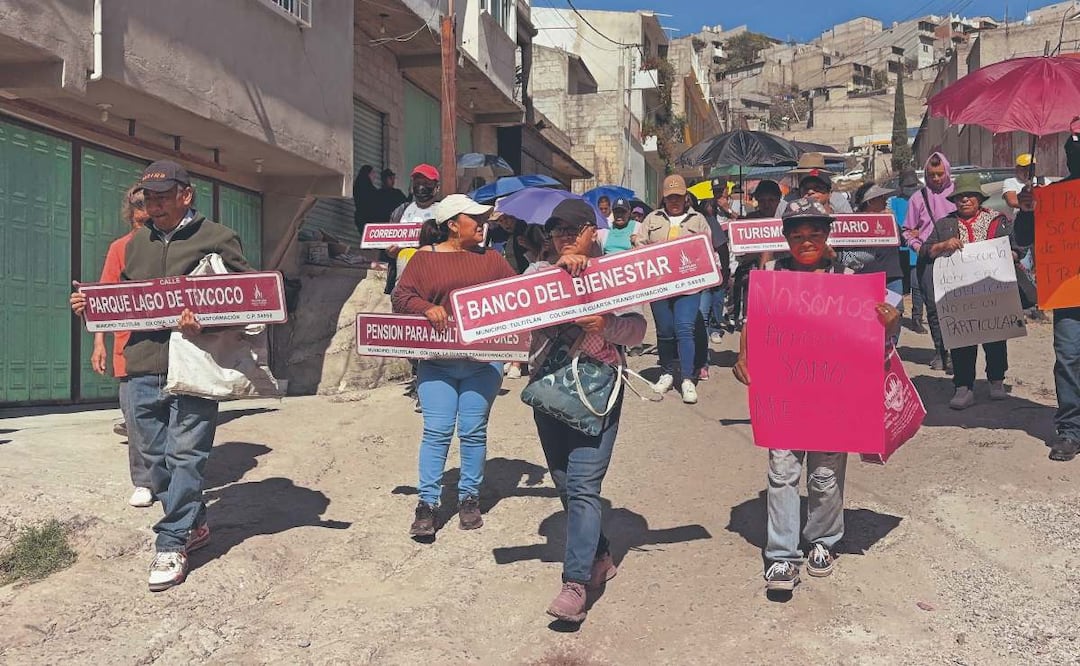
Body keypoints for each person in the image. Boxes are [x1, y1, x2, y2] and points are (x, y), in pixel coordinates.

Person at [70, 161, 252, 591]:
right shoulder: (135, 244)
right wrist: (90, 309)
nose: (155, 205)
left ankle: (171, 542)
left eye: (163, 197)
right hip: (140, 365)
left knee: (186, 455)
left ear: (186, 195)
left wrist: (205, 321)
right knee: (154, 460)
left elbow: (247, 299)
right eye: (149, 198)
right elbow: (119, 300)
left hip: (194, 364)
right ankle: (194, 521)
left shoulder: (218, 237)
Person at [732, 197, 901, 593]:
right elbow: (754, 320)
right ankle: (782, 555)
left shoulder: (850, 278)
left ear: (827, 236)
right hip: (784, 396)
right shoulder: (771, 275)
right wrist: (743, 354)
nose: (806, 242)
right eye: (797, 236)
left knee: (825, 477)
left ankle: (823, 540)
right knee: (782, 473)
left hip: (832, 397)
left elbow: (874, 333)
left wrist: (889, 322)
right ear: (786, 238)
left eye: (814, 234)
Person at [524, 198, 647, 623]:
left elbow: (637, 329)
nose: (563, 236)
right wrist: (557, 279)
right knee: (564, 482)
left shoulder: (617, 272)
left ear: (592, 232)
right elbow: (516, 319)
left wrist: (606, 325)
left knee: (582, 485)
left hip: (599, 388)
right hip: (548, 387)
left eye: (572, 229)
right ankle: (599, 556)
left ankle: (574, 583)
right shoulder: (535, 275)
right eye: (556, 230)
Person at [391, 194, 516, 537]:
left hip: (483, 363)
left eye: (484, 219)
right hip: (437, 363)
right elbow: (401, 297)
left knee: (473, 431)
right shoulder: (424, 258)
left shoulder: (493, 260)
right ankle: (427, 504)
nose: (482, 224)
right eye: (475, 218)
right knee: (437, 431)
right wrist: (425, 307)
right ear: (452, 225)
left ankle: (468, 499)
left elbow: (518, 293)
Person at [921, 173, 1015, 411]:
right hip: (959, 295)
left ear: (979, 199)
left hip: (992, 290)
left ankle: (996, 380)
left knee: (995, 336)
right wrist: (942, 245)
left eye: (970, 196)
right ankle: (963, 386)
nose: (964, 200)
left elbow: (1016, 249)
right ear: (954, 200)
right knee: (962, 340)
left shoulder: (998, 220)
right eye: (960, 197)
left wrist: (1008, 255)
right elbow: (924, 251)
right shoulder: (945, 224)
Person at [1014, 126, 1080, 460]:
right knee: (1067, 358)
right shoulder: (1053, 196)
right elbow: (1024, 239)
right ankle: (1070, 430)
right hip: (1068, 294)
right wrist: (1027, 210)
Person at [93, 185, 153, 508]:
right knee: (135, 419)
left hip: (166, 348)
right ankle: (144, 481)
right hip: (127, 348)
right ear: (131, 217)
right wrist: (99, 343)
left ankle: (169, 477)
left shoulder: (167, 248)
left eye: (150, 222)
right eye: (139, 222)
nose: (144, 228)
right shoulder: (120, 249)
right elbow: (103, 299)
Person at [637, 175, 710, 403]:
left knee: (685, 328)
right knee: (665, 331)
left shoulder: (698, 219)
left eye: (678, 196)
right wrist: (640, 243)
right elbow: (640, 244)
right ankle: (667, 372)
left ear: (685, 196)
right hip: (659, 285)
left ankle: (687, 379)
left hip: (689, 286)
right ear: (664, 198)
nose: (674, 201)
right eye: (670, 197)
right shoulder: (652, 219)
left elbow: (708, 248)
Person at [904, 152, 956, 373]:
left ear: (947, 172)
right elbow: (908, 230)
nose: (935, 178)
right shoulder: (918, 198)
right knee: (934, 309)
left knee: (955, 307)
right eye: (931, 174)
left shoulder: (958, 194)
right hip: (929, 260)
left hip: (956, 259)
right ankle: (940, 351)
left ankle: (956, 354)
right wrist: (918, 247)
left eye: (939, 174)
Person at [729, 180, 783, 329]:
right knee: (751, 322)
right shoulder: (748, 220)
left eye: (771, 200)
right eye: (762, 200)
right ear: (757, 200)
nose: (767, 205)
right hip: (752, 278)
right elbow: (740, 255)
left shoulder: (786, 219)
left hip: (781, 279)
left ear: (779, 200)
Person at [847, 183, 906, 313]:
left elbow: (903, 242)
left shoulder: (889, 218)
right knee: (867, 314)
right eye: (882, 197)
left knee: (894, 314)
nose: (886, 200)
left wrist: (892, 222)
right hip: (865, 278)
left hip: (891, 276)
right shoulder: (853, 221)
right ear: (870, 201)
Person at [384, 164, 441, 296]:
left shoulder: (443, 212)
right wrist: (390, 252)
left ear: (436, 187)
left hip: (433, 282)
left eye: (426, 183)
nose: (421, 187)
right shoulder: (401, 211)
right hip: (403, 284)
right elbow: (388, 245)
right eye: (417, 183)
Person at [890, 169, 925, 332]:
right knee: (898, 287)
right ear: (901, 186)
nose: (911, 189)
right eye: (907, 186)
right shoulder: (893, 202)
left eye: (913, 185)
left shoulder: (922, 200)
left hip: (913, 249)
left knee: (916, 285)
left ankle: (917, 318)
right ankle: (897, 315)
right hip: (897, 250)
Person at [699, 193, 732, 345]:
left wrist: (725, 270)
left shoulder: (712, 222)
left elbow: (722, 247)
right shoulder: (697, 222)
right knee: (704, 308)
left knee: (717, 301)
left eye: (712, 205)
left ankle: (715, 328)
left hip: (717, 269)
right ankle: (704, 336)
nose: (710, 208)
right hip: (702, 272)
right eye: (707, 205)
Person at [777, 154, 853, 216]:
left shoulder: (838, 200)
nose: (811, 191)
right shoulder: (787, 202)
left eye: (817, 187)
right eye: (803, 174)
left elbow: (849, 222)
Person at [352, 164, 377, 234]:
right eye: (372, 173)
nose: (374, 176)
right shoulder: (369, 188)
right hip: (369, 218)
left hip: (359, 218)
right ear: (368, 174)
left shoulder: (357, 186)